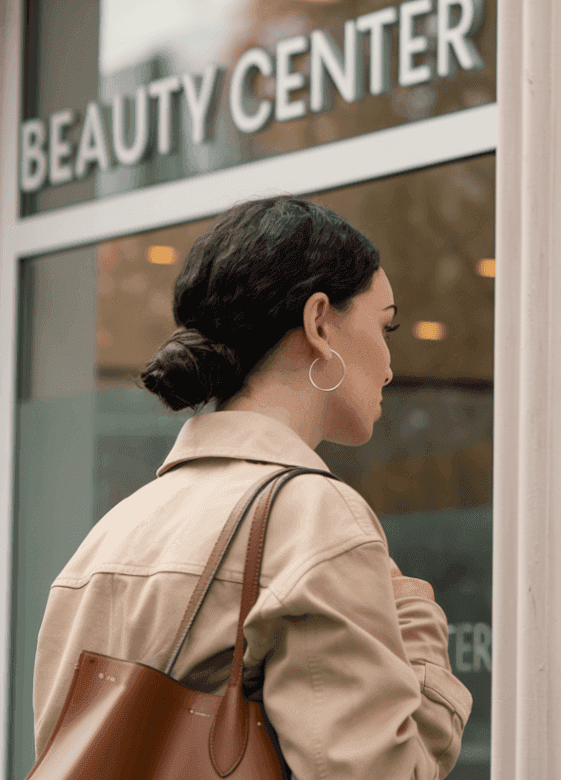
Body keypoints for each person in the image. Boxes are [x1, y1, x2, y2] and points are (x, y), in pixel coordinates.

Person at [30, 196, 472, 779]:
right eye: (384, 325)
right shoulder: (315, 517)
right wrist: (414, 622)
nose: (391, 365)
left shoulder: (113, 532)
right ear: (319, 322)